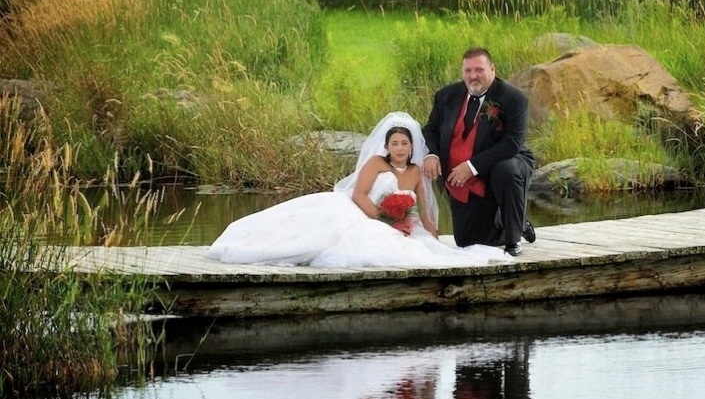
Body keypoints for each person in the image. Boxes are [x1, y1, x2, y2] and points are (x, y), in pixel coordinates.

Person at [207, 111, 511, 268]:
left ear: (412, 147)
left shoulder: (417, 171)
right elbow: (358, 195)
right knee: (321, 232)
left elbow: (420, 208)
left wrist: (429, 228)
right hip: (361, 212)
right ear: (387, 146)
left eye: (405, 144)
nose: (400, 148)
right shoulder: (376, 164)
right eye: (395, 143)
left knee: (423, 250)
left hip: (397, 223)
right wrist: (383, 219)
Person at [422, 47, 536, 256]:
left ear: (492, 70)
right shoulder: (446, 95)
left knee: (506, 170)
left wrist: (472, 166)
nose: (473, 76)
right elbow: (430, 129)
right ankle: (517, 223)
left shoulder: (513, 98)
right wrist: (432, 154)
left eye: (479, 70)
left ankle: (513, 240)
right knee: (466, 241)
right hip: (463, 177)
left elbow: (512, 143)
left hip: (509, 160)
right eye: (468, 71)